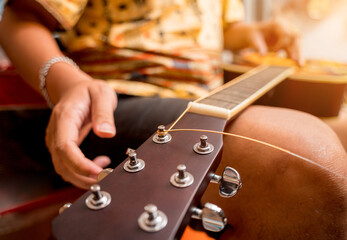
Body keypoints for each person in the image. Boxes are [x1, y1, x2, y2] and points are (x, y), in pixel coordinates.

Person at [0, 0, 346, 239]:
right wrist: (68, 83)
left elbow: (218, 31)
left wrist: (257, 32)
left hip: (205, 97)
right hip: (118, 100)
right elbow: (20, 18)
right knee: (301, 152)